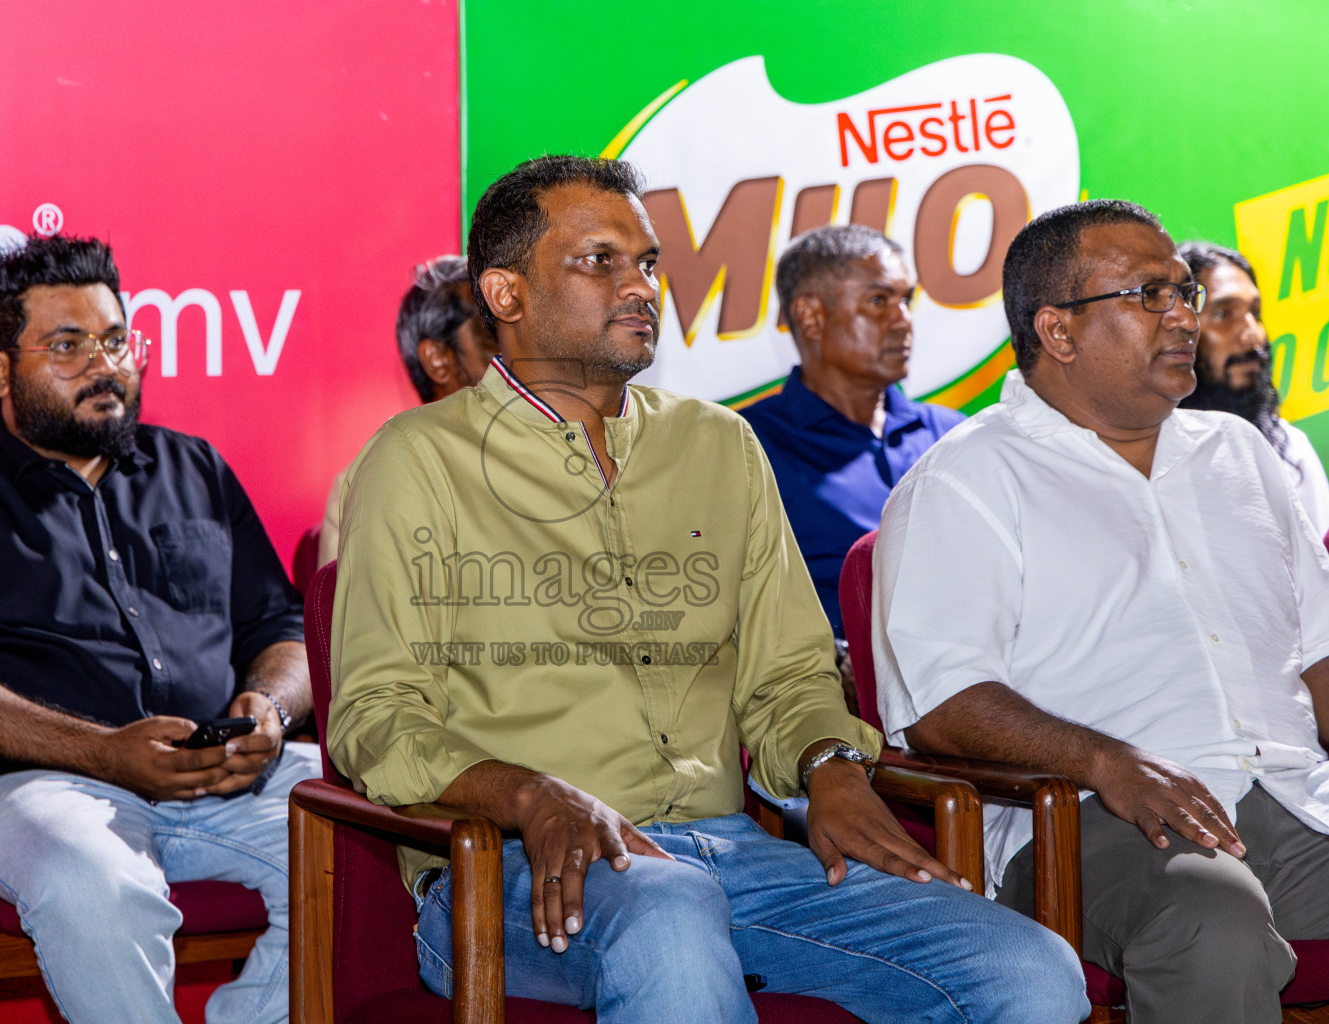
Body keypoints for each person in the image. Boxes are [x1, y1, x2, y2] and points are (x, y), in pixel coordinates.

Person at [328, 155, 1085, 1023]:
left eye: (648, 263)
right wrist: (528, 793)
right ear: (505, 295)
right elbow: (375, 717)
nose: (642, 287)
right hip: (506, 866)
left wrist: (827, 762)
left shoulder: (718, 445)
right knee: (670, 918)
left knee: (1028, 969)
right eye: (599, 261)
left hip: (737, 857)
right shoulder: (417, 460)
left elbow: (789, 677)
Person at [874, 199, 1329, 1024]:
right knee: (1210, 919)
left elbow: (1321, 654)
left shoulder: (1241, 455)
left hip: (1296, 795)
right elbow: (943, 704)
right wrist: (1106, 761)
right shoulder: (966, 481)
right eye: (1150, 295)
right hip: (1093, 823)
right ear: (1058, 331)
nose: (1183, 316)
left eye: (1185, 292)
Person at [0, 235, 319, 1024]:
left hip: (225, 777)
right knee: (93, 884)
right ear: (0, 369)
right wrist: (101, 751)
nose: (105, 365)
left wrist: (267, 711)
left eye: (113, 339)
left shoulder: (193, 468)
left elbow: (282, 625)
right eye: (67, 345)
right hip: (43, 787)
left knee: (373, 840)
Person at [741, 224, 963, 702]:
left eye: (907, 300)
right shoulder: (743, 447)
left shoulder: (957, 435)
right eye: (880, 301)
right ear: (811, 316)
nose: (904, 321)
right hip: (831, 717)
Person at [316, 255, 499, 568]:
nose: (515, 348)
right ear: (438, 359)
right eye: (490, 331)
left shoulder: (572, 453)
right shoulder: (373, 482)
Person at [1177, 241, 1329, 534]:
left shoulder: (1289, 449)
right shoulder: (1147, 455)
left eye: (1256, 313)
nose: (1253, 335)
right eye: (1224, 314)